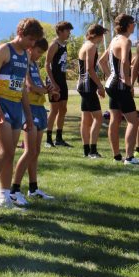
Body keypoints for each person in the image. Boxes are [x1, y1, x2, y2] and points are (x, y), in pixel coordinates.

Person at [0, 18, 43, 212]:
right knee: (4, 152)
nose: (32, 44)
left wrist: (27, 114)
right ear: (21, 33)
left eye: (35, 41)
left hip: (17, 108)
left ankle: (4, 197)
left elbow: (23, 88)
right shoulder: (3, 50)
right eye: (30, 39)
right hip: (2, 106)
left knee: (10, 155)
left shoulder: (25, 56)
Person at [10, 38, 56, 205]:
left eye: (41, 54)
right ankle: (14, 190)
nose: (38, 56)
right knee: (29, 151)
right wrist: (44, 90)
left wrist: (48, 89)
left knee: (35, 151)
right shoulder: (24, 63)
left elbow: (40, 85)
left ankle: (33, 188)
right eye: (37, 52)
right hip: (28, 108)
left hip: (39, 107)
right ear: (30, 48)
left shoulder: (34, 64)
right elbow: (29, 86)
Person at [102, 14, 139, 164]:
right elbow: (124, 61)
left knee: (115, 119)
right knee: (133, 121)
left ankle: (117, 155)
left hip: (111, 85)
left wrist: (111, 75)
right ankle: (129, 157)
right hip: (120, 86)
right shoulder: (126, 41)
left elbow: (101, 61)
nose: (135, 25)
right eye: (133, 23)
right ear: (128, 25)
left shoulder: (114, 40)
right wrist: (127, 82)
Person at [77, 24, 106, 158]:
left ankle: (86, 150)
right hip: (88, 86)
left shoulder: (85, 45)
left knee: (86, 118)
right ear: (97, 35)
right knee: (98, 118)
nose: (102, 38)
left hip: (82, 85)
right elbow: (89, 68)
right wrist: (100, 86)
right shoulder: (91, 46)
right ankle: (92, 151)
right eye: (102, 35)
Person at [45, 21, 74, 148]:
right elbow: (47, 64)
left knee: (63, 109)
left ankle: (59, 138)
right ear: (60, 31)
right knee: (54, 110)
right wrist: (53, 82)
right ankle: (48, 139)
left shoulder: (64, 44)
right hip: (53, 80)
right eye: (67, 31)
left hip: (62, 80)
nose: (69, 33)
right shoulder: (54, 45)